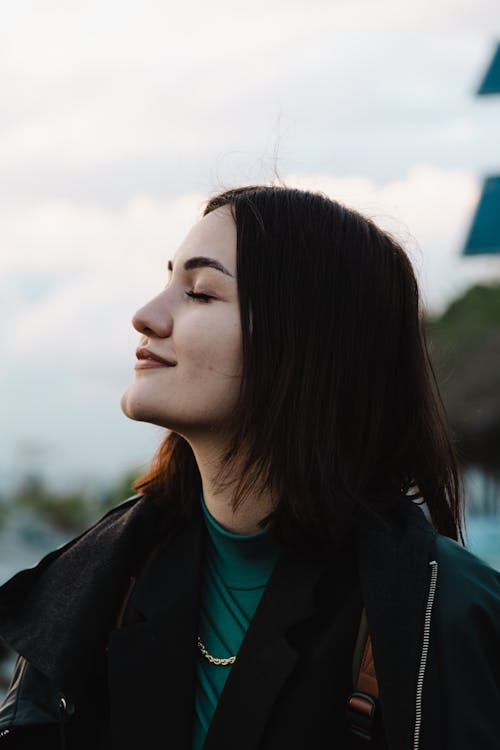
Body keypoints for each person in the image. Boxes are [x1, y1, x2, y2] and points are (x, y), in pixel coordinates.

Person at [0, 184, 499, 750]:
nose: (146, 316)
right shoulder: (92, 588)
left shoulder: (444, 616)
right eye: (168, 283)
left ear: (306, 342)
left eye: (200, 293)